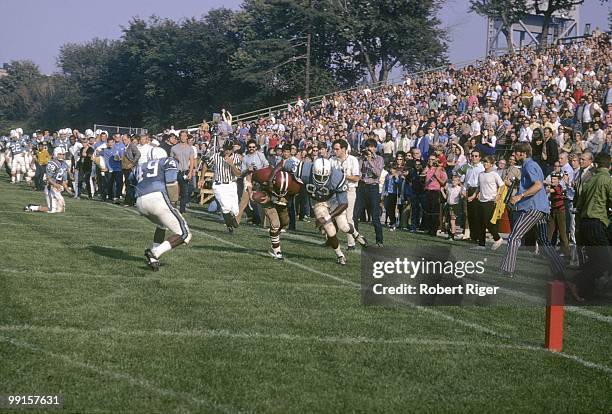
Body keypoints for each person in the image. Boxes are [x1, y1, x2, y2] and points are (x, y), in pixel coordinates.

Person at [499, 143, 579, 298]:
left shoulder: (529, 166)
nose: (514, 154)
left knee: (514, 236)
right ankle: (559, 270)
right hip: (542, 209)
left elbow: (537, 185)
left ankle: (507, 270)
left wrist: (519, 196)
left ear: (522, 153)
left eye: (516, 152)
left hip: (533, 208)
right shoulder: (533, 166)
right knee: (544, 242)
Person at [288, 157, 367, 264]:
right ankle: (340, 255)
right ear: (313, 171)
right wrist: (271, 179)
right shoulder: (303, 169)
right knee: (330, 230)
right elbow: (283, 164)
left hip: (333, 200)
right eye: (318, 176)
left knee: (343, 226)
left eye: (324, 177)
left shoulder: (337, 176)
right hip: (318, 201)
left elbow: (344, 204)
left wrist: (327, 218)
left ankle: (356, 235)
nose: (321, 180)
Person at [132, 154, 192, 271]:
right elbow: (171, 182)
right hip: (157, 198)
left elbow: (131, 182)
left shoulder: (140, 166)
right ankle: (155, 252)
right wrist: (173, 202)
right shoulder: (167, 161)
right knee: (184, 234)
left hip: (140, 201)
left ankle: (154, 261)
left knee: (162, 225)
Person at [573, 152, 611, 300]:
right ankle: (577, 282)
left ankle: (585, 291)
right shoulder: (606, 179)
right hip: (596, 223)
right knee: (606, 260)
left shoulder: (590, 179)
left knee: (594, 259)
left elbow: (580, 204)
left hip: (584, 223)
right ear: (609, 164)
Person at [199, 140, 242, 233]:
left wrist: (231, 164)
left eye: (229, 149)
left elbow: (238, 174)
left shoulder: (235, 158)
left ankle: (229, 223)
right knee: (225, 206)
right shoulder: (216, 156)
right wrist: (202, 178)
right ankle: (230, 227)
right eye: (226, 149)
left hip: (231, 183)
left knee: (235, 210)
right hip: (219, 184)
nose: (227, 151)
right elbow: (206, 164)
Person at [330, 139, 361, 248]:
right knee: (332, 216)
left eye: (337, 149)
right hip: (335, 192)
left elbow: (356, 178)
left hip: (349, 191)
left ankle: (351, 243)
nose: (335, 151)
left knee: (348, 218)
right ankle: (330, 240)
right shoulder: (332, 160)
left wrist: (342, 176)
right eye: (334, 149)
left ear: (344, 149)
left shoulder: (353, 160)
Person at [354, 139, 384, 246]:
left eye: (371, 147)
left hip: (373, 187)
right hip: (362, 187)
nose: (369, 149)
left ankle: (379, 241)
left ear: (375, 148)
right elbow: (357, 172)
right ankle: (356, 237)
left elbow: (377, 173)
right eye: (368, 147)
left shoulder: (379, 159)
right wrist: (363, 159)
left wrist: (370, 160)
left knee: (375, 216)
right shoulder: (362, 158)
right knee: (355, 214)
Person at [24, 147, 71, 213]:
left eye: (63, 154)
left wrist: (67, 189)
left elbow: (63, 179)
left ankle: (35, 206)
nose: (62, 156)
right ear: (55, 154)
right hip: (50, 188)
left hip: (57, 188)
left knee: (61, 210)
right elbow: (48, 178)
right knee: (51, 210)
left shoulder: (64, 164)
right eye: (60, 154)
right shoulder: (52, 164)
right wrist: (55, 184)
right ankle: (32, 207)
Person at [472, 155, 504, 250]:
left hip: (490, 201)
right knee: (480, 223)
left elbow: (502, 186)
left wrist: (498, 196)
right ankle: (481, 245)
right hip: (481, 200)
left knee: (488, 222)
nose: (485, 164)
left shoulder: (495, 174)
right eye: (484, 162)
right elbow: (479, 187)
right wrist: (474, 195)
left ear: (491, 164)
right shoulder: (481, 174)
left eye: (487, 162)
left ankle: (497, 238)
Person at [170, 130, 196, 213]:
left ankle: (182, 209)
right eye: (182, 136)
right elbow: (170, 160)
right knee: (175, 190)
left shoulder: (190, 148)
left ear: (187, 137)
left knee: (185, 191)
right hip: (176, 171)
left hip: (185, 171)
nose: (183, 137)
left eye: (185, 136)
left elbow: (192, 161)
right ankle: (173, 207)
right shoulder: (174, 148)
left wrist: (190, 172)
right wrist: (175, 158)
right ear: (179, 137)